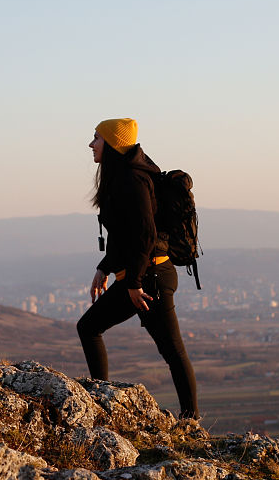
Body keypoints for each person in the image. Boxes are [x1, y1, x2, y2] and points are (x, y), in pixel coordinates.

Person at [76, 118, 199, 420]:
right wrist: (104, 268)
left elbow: (145, 235)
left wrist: (133, 282)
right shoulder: (124, 176)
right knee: (90, 328)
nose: (91, 144)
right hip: (142, 275)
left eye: (96, 138)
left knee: (172, 351)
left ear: (113, 144)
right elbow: (127, 235)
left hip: (150, 278)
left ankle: (191, 419)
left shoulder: (132, 179)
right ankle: (102, 397)